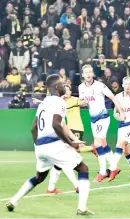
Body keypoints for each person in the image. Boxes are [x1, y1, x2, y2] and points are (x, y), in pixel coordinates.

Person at [6, 74, 94, 215]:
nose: (64, 85)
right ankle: (82, 208)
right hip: (54, 145)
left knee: (39, 177)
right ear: (56, 87)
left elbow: (33, 128)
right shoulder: (59, 102)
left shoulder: (44, 103)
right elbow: (56, 124)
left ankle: (14, 201)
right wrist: (70, 143)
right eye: (62, 83)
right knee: (83, 168)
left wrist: (38, 146)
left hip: (41, 146)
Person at [78, 65, 122, 182]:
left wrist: (120, 111)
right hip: (93, 119)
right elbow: (83, 102)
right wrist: (79, 102)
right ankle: (114, 167)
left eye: (90, 72)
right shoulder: (81, 87)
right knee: (103, 144)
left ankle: (102, 172)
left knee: (97, 144)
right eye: (85, 72)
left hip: (103, 117)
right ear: (82, 75)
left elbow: (113, 97)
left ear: (93, 74)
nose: (88, 74)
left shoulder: (100, 85)